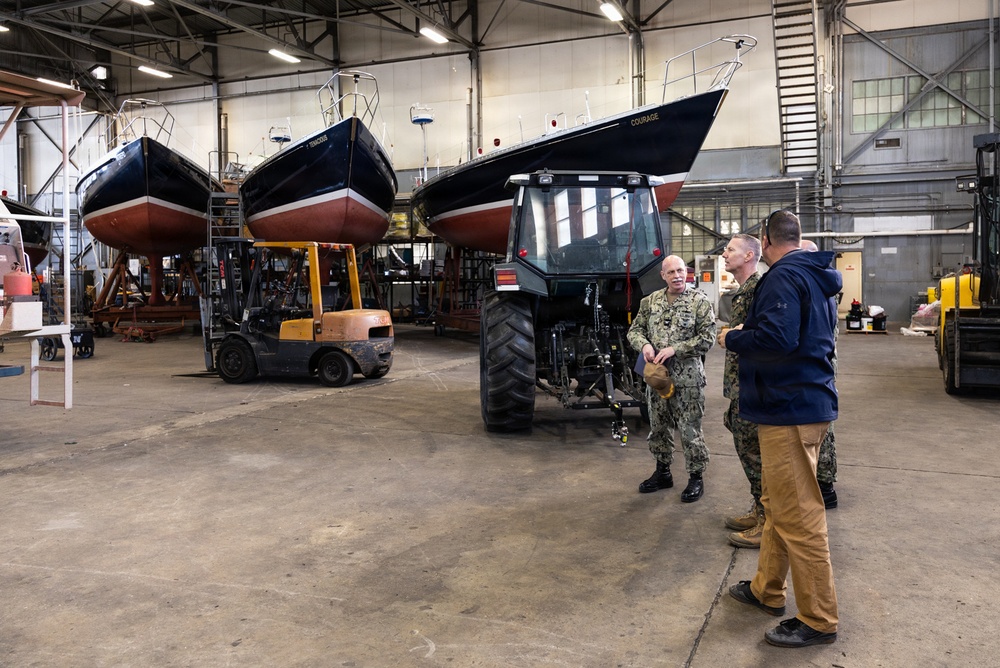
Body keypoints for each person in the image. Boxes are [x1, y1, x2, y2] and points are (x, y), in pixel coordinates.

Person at [718, 209, 841, 648]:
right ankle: (766, 590)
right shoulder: (811, 275)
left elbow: (776, 340)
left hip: (790, 410)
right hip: (795, 406)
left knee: (800, 518)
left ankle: (818, 618)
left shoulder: (784, 277)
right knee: (777, 505)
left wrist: (732, 337)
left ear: (767, 240)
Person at [627, 255, 716, 503]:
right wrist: (644, 344)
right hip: (657, 379)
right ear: (663, 276)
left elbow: (708, 338)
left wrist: (675, 349)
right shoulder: (650, 302)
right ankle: (663, 472)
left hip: (688, 379)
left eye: (681, 271)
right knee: (658, 426)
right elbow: (634, 330)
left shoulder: (700, 301)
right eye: (671, 272)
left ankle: (696, 477)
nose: (677, 276)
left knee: (690, 429)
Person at [718, 234, 766, 547]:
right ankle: (758, 508)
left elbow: (758, 334)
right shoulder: (743, 289)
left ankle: (767, 520)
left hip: (751, 386)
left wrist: (733, 334)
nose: (724, 253)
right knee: (745, 449)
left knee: (755, 453)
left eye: (730, 249)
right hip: (739, 385)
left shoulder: (758, 287)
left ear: (749, 255)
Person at [800, 239, 839, 509]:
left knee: (821, 426)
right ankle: (821, 483)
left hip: (818, 365)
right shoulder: (825, 283)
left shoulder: (818, 286)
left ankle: (825, 486)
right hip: (821, 363)